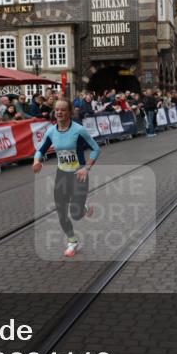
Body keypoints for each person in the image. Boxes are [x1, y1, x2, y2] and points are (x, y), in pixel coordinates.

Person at [32, 98, 101, 258]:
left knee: (76, 214)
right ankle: (72, 241)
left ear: (70, 112)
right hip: (62, 175)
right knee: (61, 212)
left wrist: (86, 168)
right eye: (57, 110)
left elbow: (96, 149)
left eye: (63, 110)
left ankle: (84, 208)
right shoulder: (51, 131)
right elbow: (40, 150)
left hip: (79, 175)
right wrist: (36, 161)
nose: (59, 112)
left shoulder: (79, 130)